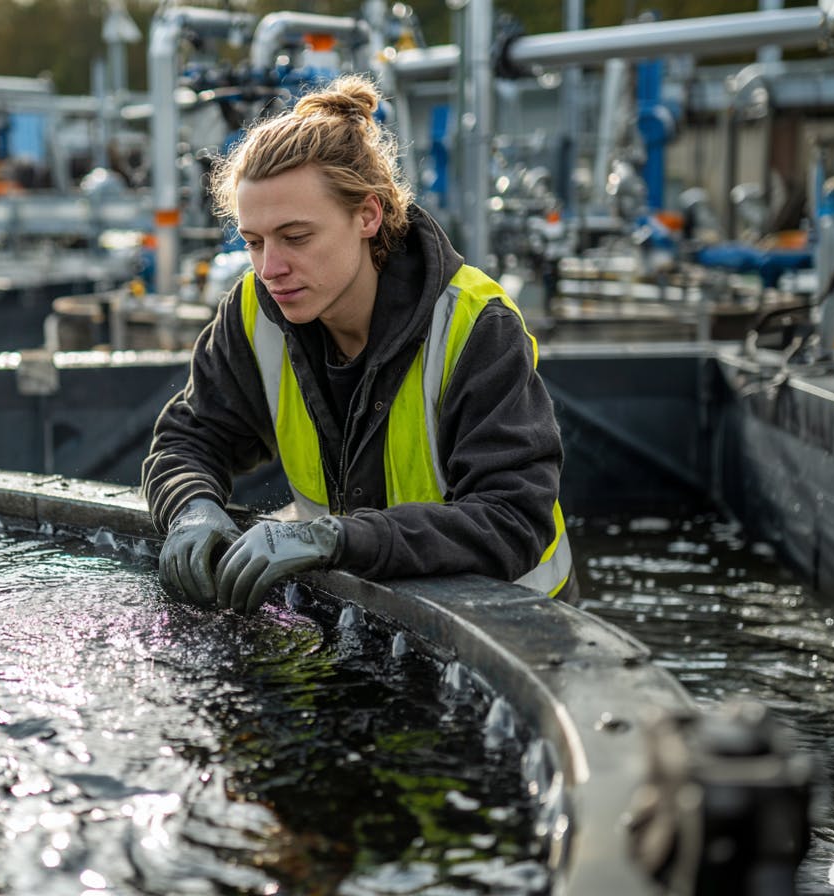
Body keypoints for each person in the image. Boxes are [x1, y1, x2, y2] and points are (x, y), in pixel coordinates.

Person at [142, 73, 572, 614]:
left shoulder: (474, 325)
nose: (270, 268)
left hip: (515, 633)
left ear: (368, 215)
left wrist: (335, 539)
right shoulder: (254, 308)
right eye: (254, 242)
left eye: (296, 237)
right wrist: (191, 507)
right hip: (370, 625)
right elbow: (189, 439)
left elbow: (511, 521)